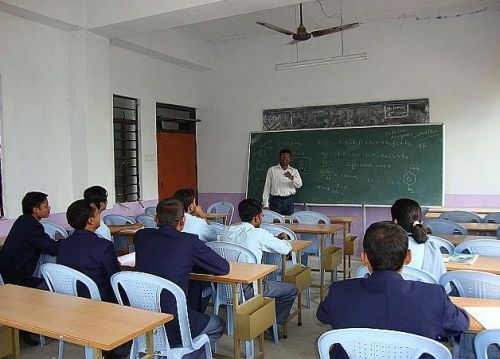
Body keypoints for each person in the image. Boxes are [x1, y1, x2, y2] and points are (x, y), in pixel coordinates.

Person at [316, 221, 469, 359]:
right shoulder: (434, 296)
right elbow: (461, 324)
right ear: (408, 257)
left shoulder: (339, 292)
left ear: (364, 258)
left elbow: (322, 316)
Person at [134, 198, 229, 357]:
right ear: (182, 221)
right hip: (174, 318)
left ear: (156, 219)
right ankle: (186, 354)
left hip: (142, 317)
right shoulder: (189, 241)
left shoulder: (140, 236)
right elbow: (223, 267)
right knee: (218, 324)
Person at [220, 198, 298, 333]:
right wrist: (284, 239)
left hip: (225, 287)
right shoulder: (258, 233)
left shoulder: (226, 231)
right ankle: (271, 325)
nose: (262, 218)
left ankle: (264, 318)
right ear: (256, 218)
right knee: (291, 289)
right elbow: (285, 249)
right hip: (250, 288)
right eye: (262, 215)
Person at [57, 199, 120, 303]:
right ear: (91, 220)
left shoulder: (64, 244)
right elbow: (114, 278)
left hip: (70, 298)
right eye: (98, 214)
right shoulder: (104, 246)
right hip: (98, 300)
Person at [0, 191, 59, 289]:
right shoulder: (32, 226)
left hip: (6, 273)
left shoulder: (22, 220)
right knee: (54, 286)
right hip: (16, 280)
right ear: (35, 210)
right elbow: (52, 248)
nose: (49, 208)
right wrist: (69, 242)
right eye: (45, 206)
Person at [391, 198, 445, 282]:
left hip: (394, 293)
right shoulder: (432, 248)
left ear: (395, 222)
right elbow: (442, 281)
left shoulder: (386, 246)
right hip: (425, 293)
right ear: (419, 220)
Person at [83, 185, 142, 252]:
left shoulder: (90, 218)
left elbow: (105, 228)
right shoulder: (92, 220)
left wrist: (130, 226)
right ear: (101, 203)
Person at [262, 148, 302, 215]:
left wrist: (292, 177)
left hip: (289, 200)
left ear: (290, 159)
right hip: (275, 200)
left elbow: (299, 185)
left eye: (287, 157)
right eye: (283, 156)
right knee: (275, 222)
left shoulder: (294, 171)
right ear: (279, 157)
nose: (285, 159)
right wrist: (265, 204)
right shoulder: (272, 170)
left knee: (289, 223)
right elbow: (267, 187)